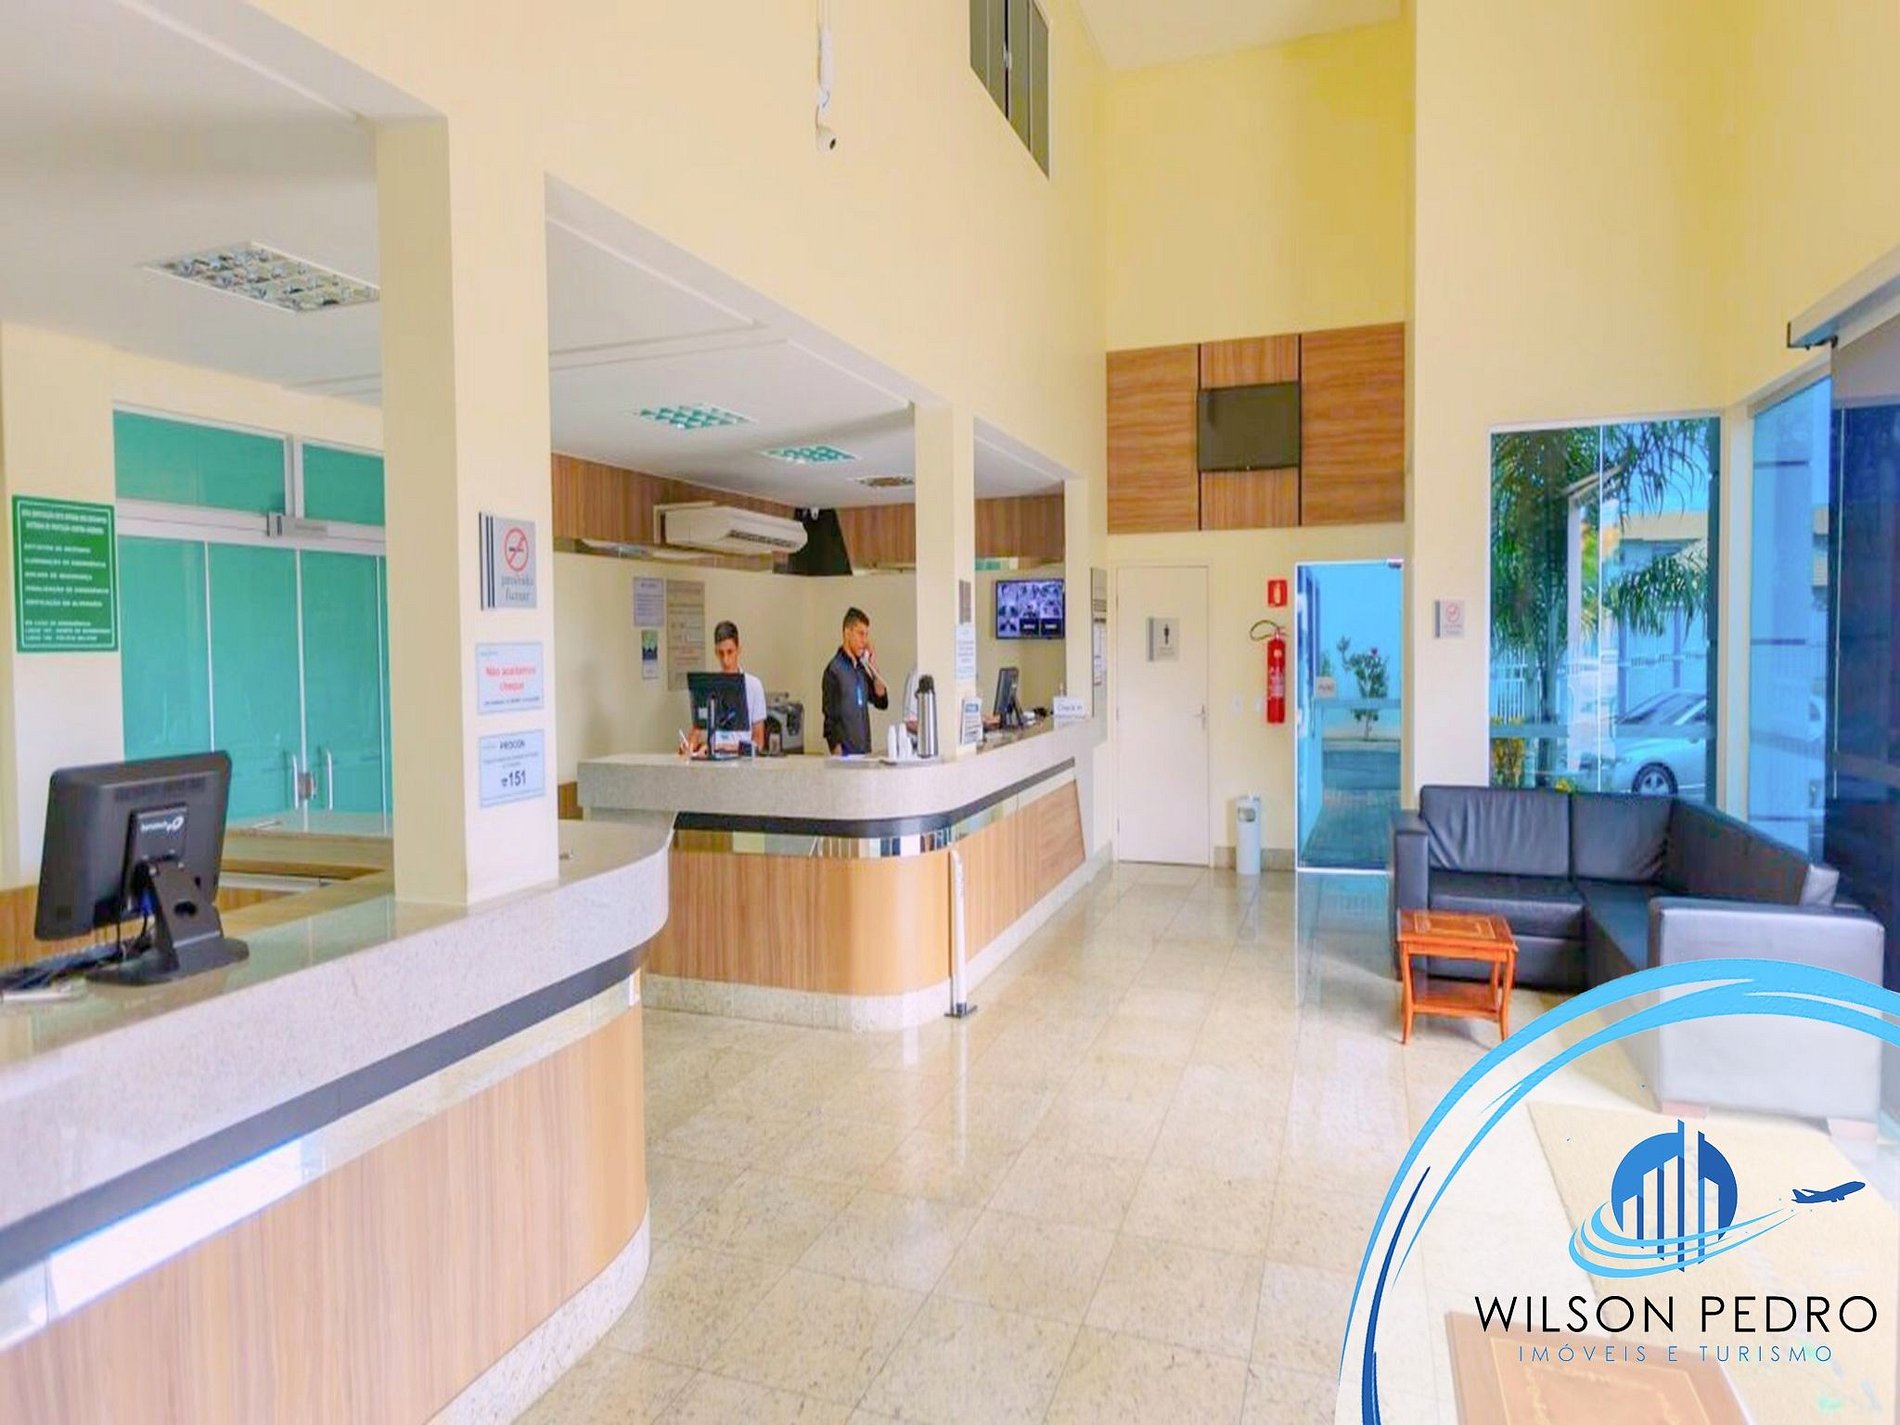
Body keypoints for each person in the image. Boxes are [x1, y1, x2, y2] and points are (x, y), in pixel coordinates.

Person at [682, 620, 767, 755]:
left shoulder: (754, 686)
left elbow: (758, 742)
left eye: (730, 652)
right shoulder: (709, 686)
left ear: (739, 650)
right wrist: (689, 746)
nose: (725, 660)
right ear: (716, 652)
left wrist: (723, 747)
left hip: (743, 761)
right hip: (714, 759)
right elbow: (697, 730)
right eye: (721, 653)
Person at [822, 606, 887, 756]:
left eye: (866, 635)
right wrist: (839, 757)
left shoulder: (861, 669)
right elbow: (830, 721)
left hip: (865, 754)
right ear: (847, 633)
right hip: (846, 756)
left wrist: (873, 665)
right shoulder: (834, 671)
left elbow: (881, 701)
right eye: (860, 634)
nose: (865, 641)